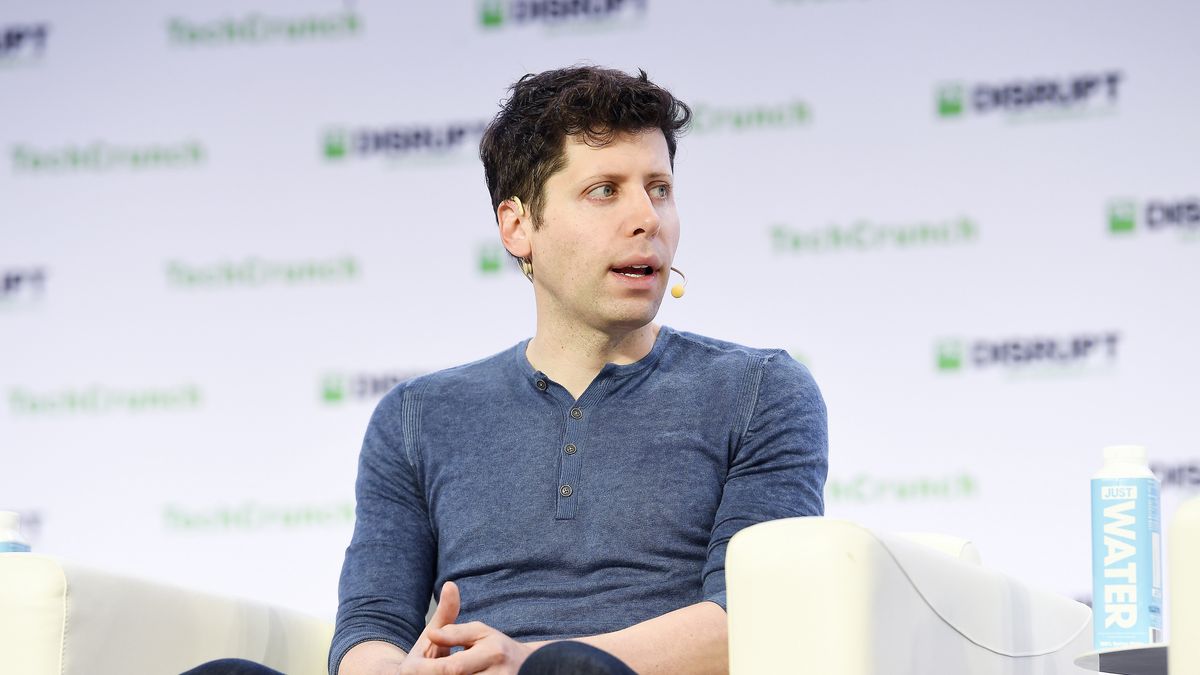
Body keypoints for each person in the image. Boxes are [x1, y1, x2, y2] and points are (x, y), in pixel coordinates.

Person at [184, 65, 827, 675]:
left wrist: (527, 660)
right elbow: (369, 627)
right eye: (605, 191)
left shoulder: (761, 391)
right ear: (518, 225)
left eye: (659, 189)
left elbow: (749, 620)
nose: (647, 218)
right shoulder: (418, 416)